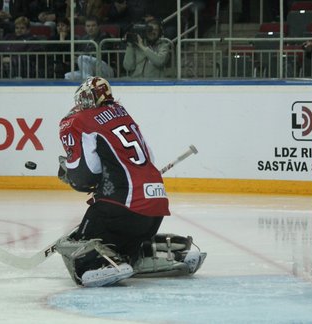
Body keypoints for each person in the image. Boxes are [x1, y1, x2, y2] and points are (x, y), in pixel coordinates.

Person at [54, 76, 206, 287]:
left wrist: (70, 176)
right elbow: (148, 159)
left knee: (79, 250)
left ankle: (101, 264)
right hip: (156, 207)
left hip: (122, 208)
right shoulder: (123, 115)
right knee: (122, 241)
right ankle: (139, 254)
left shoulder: (82, 120)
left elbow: (86, 175)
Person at [64, 16, 114, 80]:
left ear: (98, 27)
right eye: (88, 26)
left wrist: (82, 57)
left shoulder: (104, 37)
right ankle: (88, 80)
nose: (90, 28)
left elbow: (103, 56)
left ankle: (88, 84)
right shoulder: (84, 38)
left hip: (105, 69)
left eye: (93, 26)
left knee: (82, 58)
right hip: (88, 70)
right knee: (68, 76)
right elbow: (79, 54)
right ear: (85, 28)